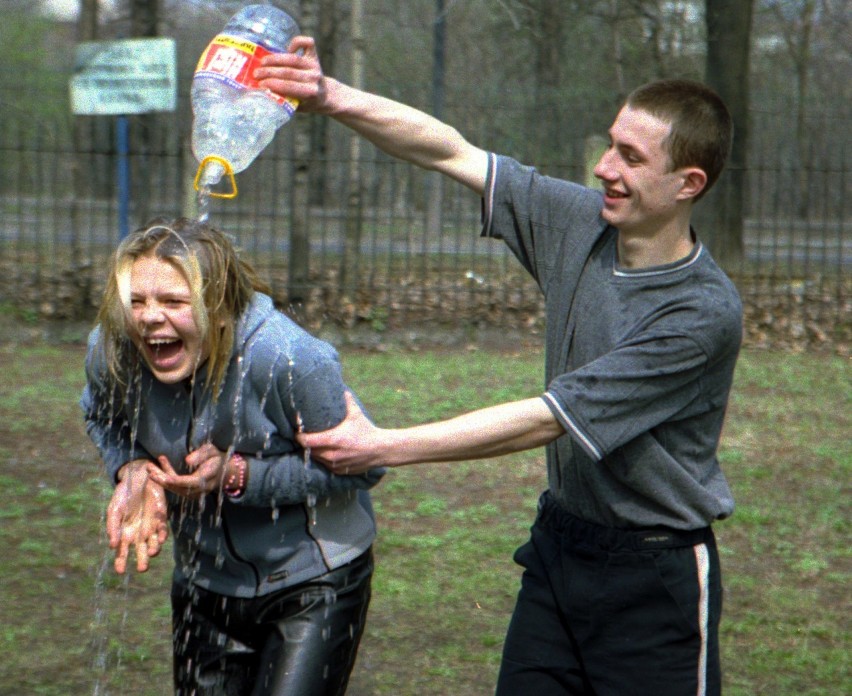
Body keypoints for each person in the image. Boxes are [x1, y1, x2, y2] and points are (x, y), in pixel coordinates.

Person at [256, 37, 743, 696]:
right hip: (559, 548)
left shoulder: (702, 312)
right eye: (610, 144)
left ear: (689, 184)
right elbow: (449, 150)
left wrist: (385, 446)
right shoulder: (581, 224)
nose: (604, 168)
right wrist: (333, 97)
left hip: (653, 576)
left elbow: (546, 421)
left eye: (630, 157)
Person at [81, 217, 383, 696]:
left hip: (315, 582)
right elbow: (99, 414)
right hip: (205, 583)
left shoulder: (289, 359)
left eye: (174, 301)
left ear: (219, 308)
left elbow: (367, 465)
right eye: (136, 302)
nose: (148, 318)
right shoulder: (112, 350)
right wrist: (130, 466)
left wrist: (240, 475)